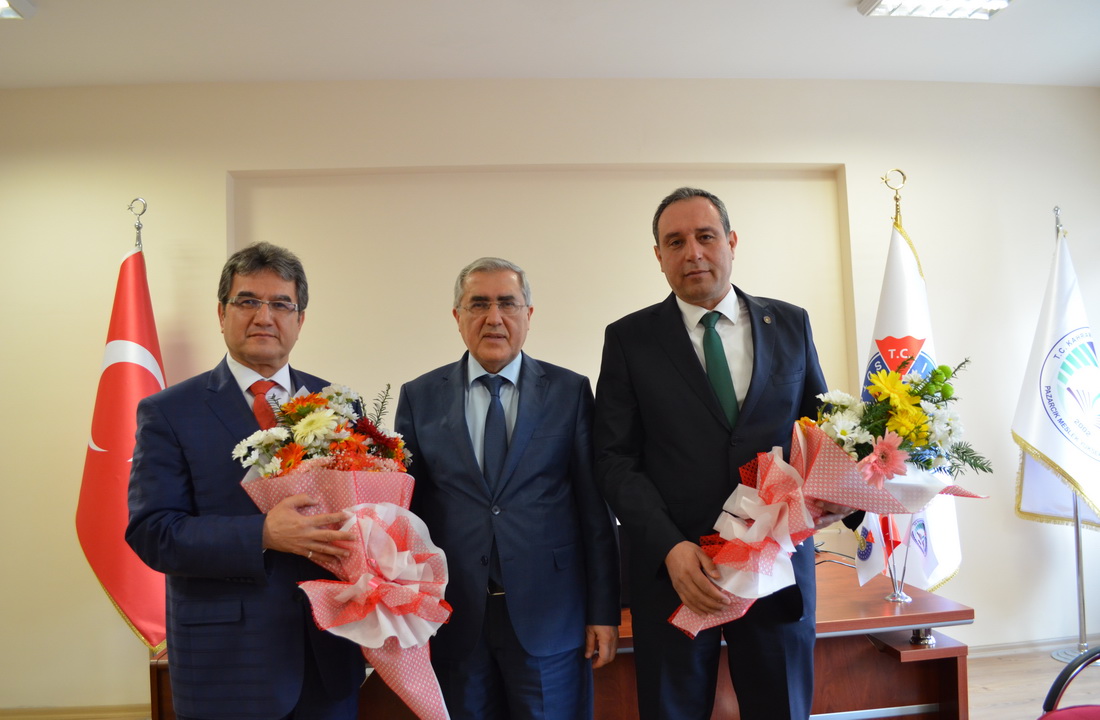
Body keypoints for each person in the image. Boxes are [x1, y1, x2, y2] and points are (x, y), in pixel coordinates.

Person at [593, 188, 849, 720]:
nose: (693, 253)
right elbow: (615, 460)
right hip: (679, 576)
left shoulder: (791, 324)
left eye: (706, 237)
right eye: (675, 242)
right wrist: (670, 547)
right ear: (658, 256)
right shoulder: (629, 339)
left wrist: (843, 497)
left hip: (776, 566)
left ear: (731, 242)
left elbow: (820, 430)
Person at [126, 242, 365, 720]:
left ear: (300, 319)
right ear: (221, 313)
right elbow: (153, 532)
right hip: (228, 665)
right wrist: (263, 534)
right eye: (248, 301)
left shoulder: (339, 404)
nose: (264, 317)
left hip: (328, 656)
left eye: (281, 304)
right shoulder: (169, 411)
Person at [395, 257, 621, 720]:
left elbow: (594, 512)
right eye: (478, 304)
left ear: (528, 314)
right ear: (457, 316)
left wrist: (604, 612)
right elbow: (407, 515)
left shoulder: (569, 391)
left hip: (551, 617)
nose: (493, 318)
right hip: (454, 618)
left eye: (507, 303)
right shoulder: (420, 396)